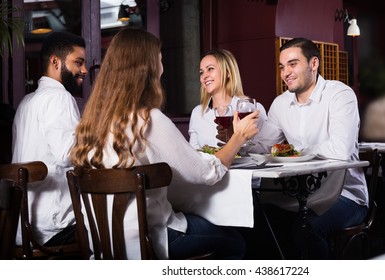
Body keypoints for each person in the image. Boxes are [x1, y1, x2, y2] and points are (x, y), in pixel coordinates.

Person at [69, 28, 260, 260]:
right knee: (235, 241)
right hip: (150, 239)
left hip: (103, 241)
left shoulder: (93, 122)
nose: (163, 65)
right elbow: (205, 174)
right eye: (160, 58)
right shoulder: (149, 119)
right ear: (147, 67)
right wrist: (238, 137)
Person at [250, 38, 368, 259]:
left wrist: (295, 151)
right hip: (299, 193)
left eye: (293, 64)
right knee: (256, 216)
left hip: (346, 195)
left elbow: (341, 150)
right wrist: (239, 138)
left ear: (313, 64)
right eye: (282, 66)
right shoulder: (280, 103)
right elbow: (262, 147)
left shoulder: (339, 95)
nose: (286, 73)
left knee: (306, 227)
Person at [11, 31, 87, 246]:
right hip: (56, 227)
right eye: (78, 62)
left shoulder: (27, 101)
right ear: (56, 61)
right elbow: (69, 155)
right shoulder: (59, 97)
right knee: (123, 224)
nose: (84, 70)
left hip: (22, 227)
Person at [189, 49, 267, 150]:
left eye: (210, 69)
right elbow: (193, 153)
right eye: (201, 72)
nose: (204, 76)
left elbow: (265, 149)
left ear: (228, 73)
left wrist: (235, 141)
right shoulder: (197, 113)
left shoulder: (251, 109)